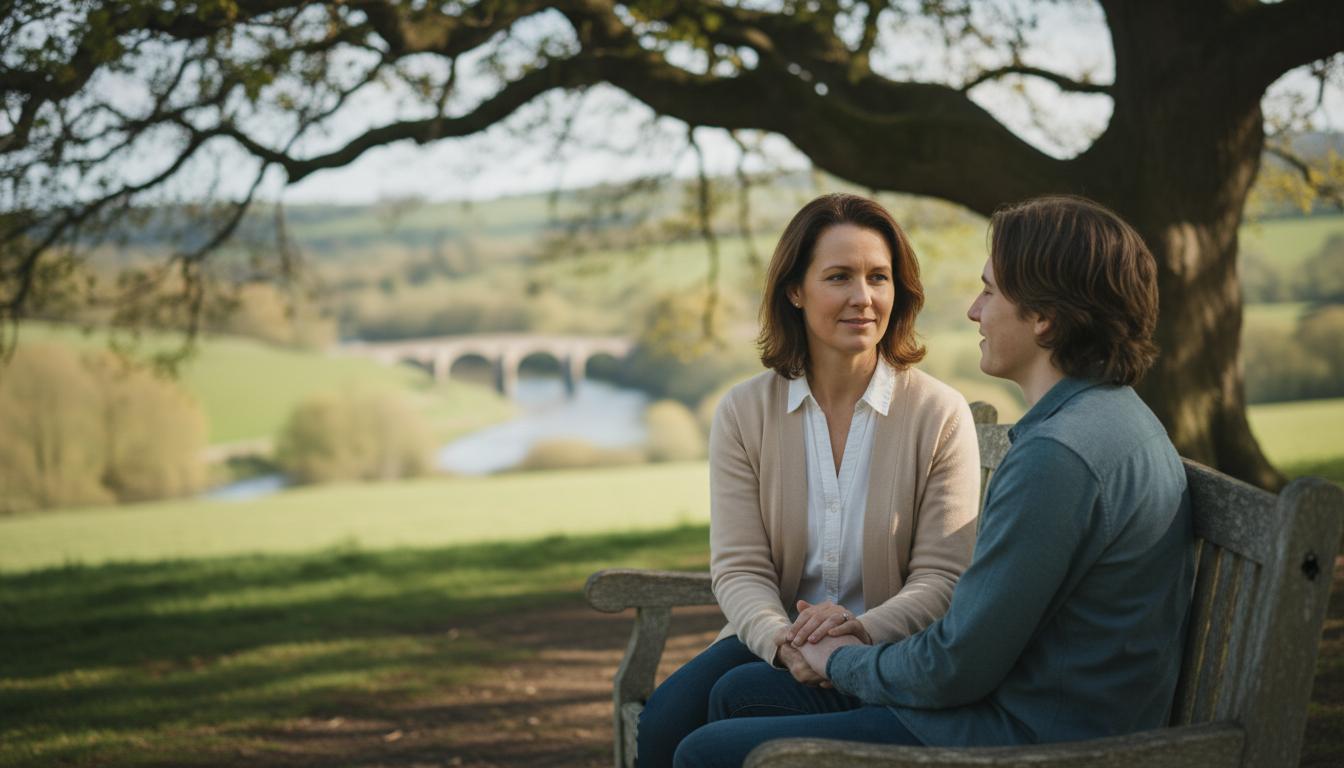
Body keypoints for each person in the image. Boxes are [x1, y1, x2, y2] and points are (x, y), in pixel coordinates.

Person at [673, 195, 1195, 767]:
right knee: (735, 694)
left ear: (1044, 316)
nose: (975, 310)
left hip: (1031, 738)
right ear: (795, 292)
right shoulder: (1110, 420)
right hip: (1028, 707)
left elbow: (954, 663)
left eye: (990, 290)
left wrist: (839, 658)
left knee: (705, 754)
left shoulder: (1058, 455)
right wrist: (807, 645)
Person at [637, 193, 983, 766]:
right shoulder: (744, 412)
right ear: (795, 291)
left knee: (729, 711)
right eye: (839, 277)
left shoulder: (939, 414)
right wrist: (780, 641)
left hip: (890, 649)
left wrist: (858, 634)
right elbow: (740, 566)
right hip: (776, 641)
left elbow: (943, 577)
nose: (863, 298)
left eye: (879, 277)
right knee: (665, 719)